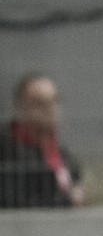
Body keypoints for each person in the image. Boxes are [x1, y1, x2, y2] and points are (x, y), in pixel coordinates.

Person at [0, 75, 84, 209]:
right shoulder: (8, 152)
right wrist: (67, 201)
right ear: (21, 108)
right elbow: (16, 203)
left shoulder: (63, 155)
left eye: (54, 102)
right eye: (40, 104)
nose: (49, 110)